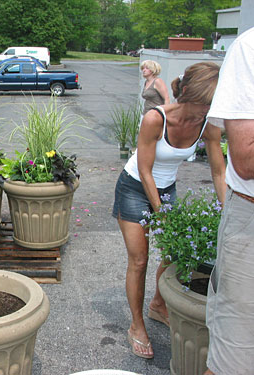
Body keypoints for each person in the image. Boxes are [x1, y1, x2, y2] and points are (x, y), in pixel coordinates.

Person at [112, 62, 226, 359]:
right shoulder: (155, 118)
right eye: (203, 102)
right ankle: (136, 325)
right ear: (186, 92)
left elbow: (218, 171)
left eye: (211, 104)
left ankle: (158, 305)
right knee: (139, 260)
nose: (206, 109)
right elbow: (146, 171)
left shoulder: (209, 123)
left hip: (166, 188)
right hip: (135, 186)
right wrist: (162, 214)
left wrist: (228, 210)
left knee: (175, 254)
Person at [204, 27, 254, 375]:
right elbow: (243, 161)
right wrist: (159, 209)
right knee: (234, 362)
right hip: (249, 215)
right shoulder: (250, 47)